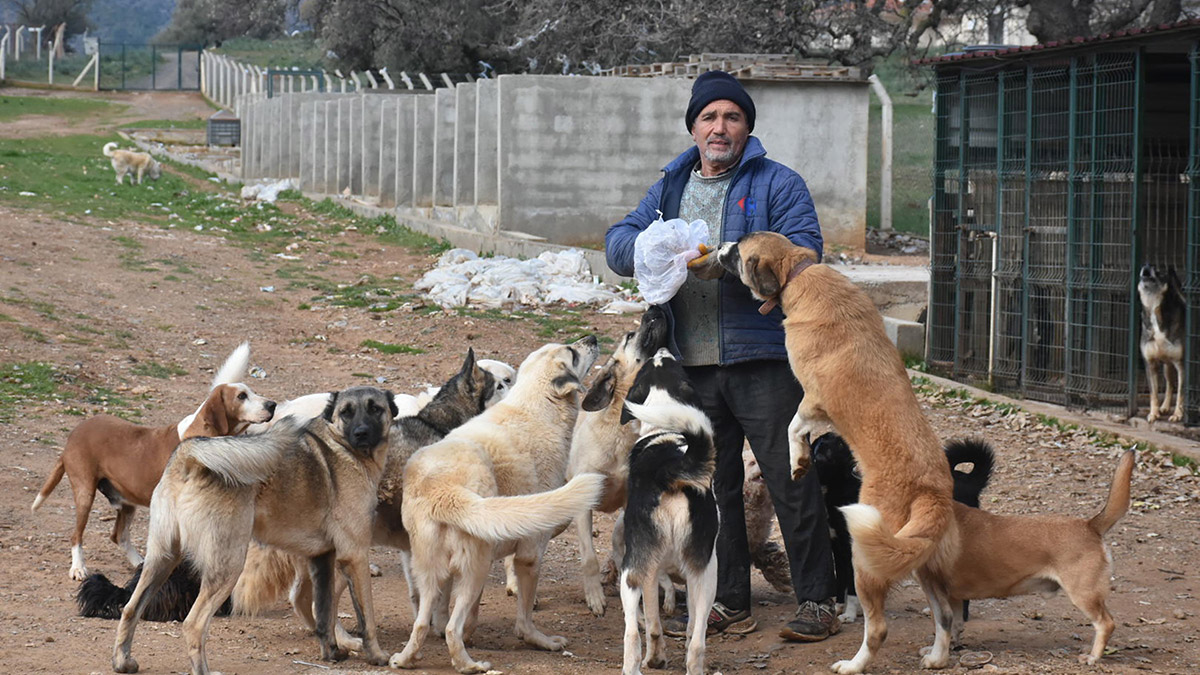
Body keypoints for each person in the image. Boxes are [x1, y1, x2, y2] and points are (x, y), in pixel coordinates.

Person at [605, 70, 839, 642]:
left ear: (746, 127)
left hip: (762, 358)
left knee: (790, 479)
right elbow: (617, 244)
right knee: (716, 485)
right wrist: (645, 246)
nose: (719, 127)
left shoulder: (777, 183)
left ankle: (818, 600)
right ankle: (730, 598)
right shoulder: (669, 186)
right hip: (695, 364)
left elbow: (806, 250)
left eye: (731, 117)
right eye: (708, 117)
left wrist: (731, 260)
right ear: (693, 127)